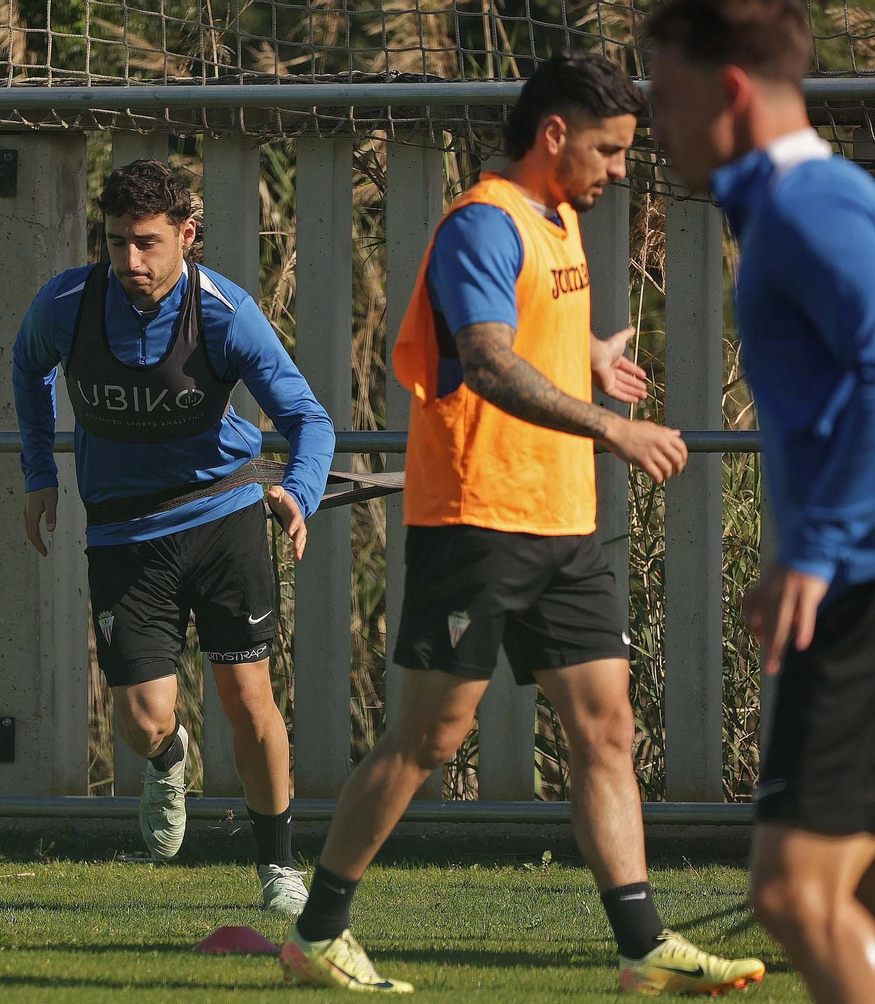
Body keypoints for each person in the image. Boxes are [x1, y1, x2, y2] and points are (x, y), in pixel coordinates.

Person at [279, 53, 765, 994]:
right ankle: (316, 933)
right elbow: (490, 361)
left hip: (564, 523)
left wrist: (587, 353)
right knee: (431, 737)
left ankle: (641, 947)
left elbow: (533, 323)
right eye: (611, 150)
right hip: (479, 517)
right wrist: (612, 425)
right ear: (554, 135)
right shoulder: (482, 224)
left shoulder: (559, 219)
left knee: (607, 727)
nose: (621, 170)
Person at [13, 159, 335, 915]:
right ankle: (169, 760)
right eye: (117, 242)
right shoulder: (66, 304)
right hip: (124, 534)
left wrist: (299, 492)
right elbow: (27, 369)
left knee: (248, 697)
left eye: (148, 243)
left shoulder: (224, 312)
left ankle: (279, 868)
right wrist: (37, 472)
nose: (130, 261)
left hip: (223, 520)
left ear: (186, 236)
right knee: (143, 719)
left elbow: (308, 420)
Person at [647, 3, 875, 1000]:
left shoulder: (803, 204)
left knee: (794, 894)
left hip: (860, 585)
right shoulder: (785, 202)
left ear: (730, 91)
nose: (654, 125)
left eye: (665, 97)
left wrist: (817, 546)